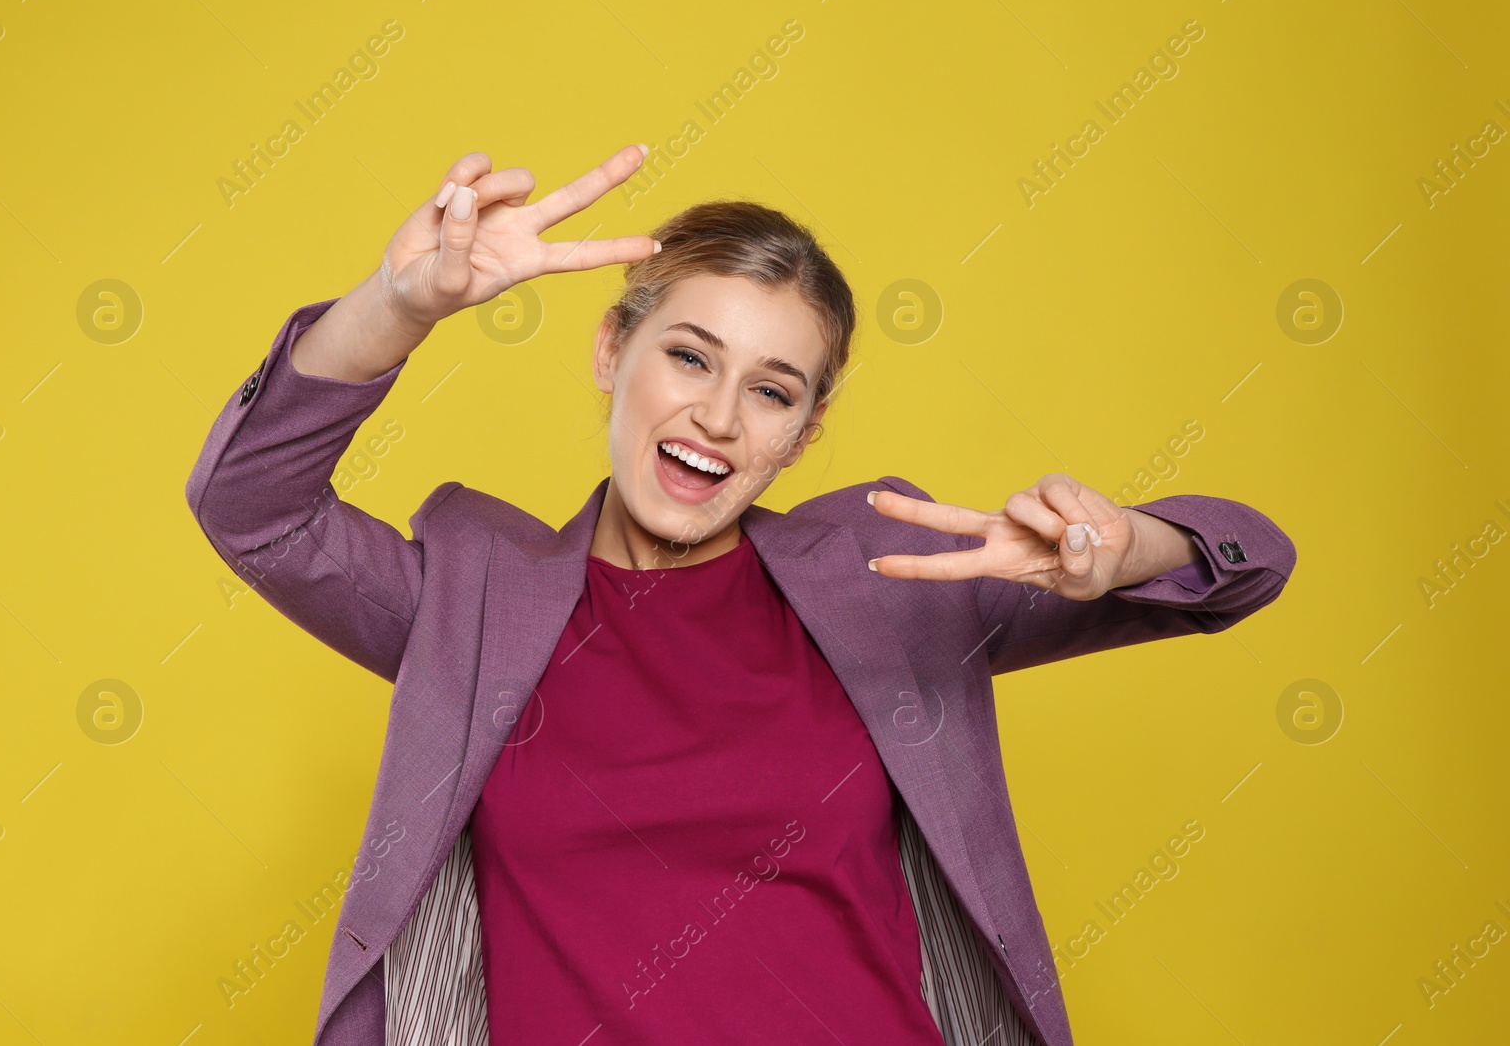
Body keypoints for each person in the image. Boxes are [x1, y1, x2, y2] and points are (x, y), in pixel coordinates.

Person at [185, 144, 1296, 1046]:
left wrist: (1126, 544)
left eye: (770, 390)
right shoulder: (472, 605)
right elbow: (252, 505)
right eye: (688, 357)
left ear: (803, 433)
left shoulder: (894, 585)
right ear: (612, 348)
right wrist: (399, 304)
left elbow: (1248, 561)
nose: (719, 417)